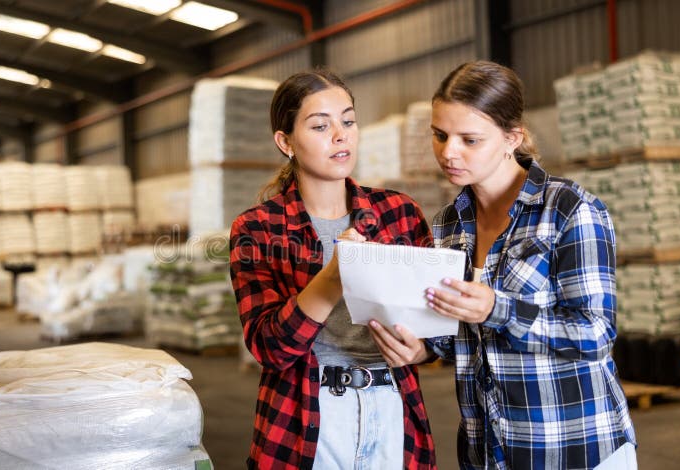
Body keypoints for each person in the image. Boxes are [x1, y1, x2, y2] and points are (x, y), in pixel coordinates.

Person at [369, 61, 637, 469]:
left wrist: (498, 309)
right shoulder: (448, 223)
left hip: (571, 446)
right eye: (440, 136)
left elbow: (595, 334)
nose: (448, 152)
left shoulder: (568, 211)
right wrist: (421, 349)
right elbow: (454, 329)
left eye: (469, 140)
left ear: (513, 137)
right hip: (487, 450)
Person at [229, 68, 436, 469]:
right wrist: (334, 275)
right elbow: (270, 348)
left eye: (349, 120)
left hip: (393, 407)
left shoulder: (399, 213)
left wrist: (423, 350)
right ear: (285, 142)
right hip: (308, 415)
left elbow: (433, 319)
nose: (341, 135)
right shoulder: (257, 228)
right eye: (321, 126)